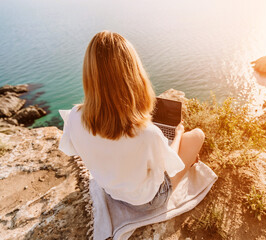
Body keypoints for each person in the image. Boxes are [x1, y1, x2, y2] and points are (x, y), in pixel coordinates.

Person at [59, 31, 205, 211]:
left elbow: (76, 149)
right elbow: (170, 165)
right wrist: (179, 134)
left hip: (112, 192)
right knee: (197, 135)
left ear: (90, 74)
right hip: (148, 201)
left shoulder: (74, 116)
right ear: (133, 74)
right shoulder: (146, 133)